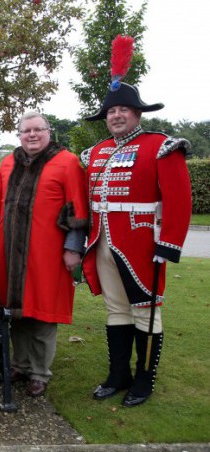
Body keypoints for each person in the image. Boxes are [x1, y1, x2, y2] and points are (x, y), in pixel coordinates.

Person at [82, 80, 191, 407]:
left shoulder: (160, 146)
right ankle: (119, 375)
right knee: (116, 310)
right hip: (102, 240)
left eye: (122, 110)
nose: (116, 116)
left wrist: (168, 243)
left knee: (146, 310)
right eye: (111, 111)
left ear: (137, 113)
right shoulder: (96, 152)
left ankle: (144, 380)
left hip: (142, 243)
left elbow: (179, 200)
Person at [0, 111, 88, 398]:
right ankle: (19, 365)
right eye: (26, 131)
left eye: (38, 130)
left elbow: (77, 208)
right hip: (10, 253)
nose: (32, 135)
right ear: (19, 135)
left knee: (44, 313)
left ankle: (39, 372)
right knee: (16, 311)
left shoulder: (67, 162)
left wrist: (73, 247)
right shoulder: (9, 161)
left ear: (49, 131)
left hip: (46, 253)